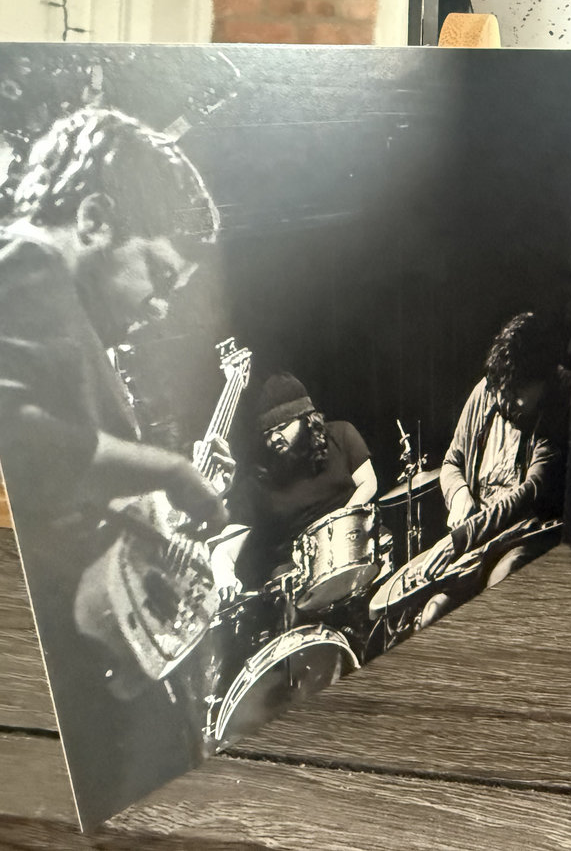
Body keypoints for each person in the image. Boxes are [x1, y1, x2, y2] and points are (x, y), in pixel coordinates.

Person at [0, 107, 229, 826]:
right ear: (95, 220)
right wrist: (168, 472)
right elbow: (21, 439)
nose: (160, 306)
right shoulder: (27, 264)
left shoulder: (66, 313)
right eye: (157, 274)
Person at [419, 312, 571, 613]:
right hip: (479, 539)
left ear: (543, 380)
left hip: (523, 535)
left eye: (516, 396)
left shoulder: (563, 396)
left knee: (501, 586)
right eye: (503, 393)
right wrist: (459, 494)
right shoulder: (487, 390)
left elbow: (531, 491)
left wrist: (462, 537)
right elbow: (452, 462)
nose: (505, 403)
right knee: (433, 612)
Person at [215, 372, 378, 593]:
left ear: (306, 418)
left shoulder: (341, 433)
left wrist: (336, 530)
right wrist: (222, 567)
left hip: (354, 544)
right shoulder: (261, 478)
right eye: (267, 434)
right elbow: (232, 537)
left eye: (281, 427)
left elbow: (368, 483)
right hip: (300, 574)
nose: (274, 439)